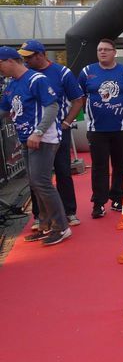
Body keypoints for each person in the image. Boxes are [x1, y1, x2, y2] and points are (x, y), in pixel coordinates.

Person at [0, 47, 72, 246]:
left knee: (41, 182)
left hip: (43, 138)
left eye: (0, 64)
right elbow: (3, 109)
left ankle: (61, 226)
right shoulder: (12, 85)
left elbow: (53, 106)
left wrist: (39, 131)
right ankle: (45, 224)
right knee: (35, 183)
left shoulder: (36, 79)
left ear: (10, 61)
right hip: (26, 139)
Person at [18, 40, 84, 229]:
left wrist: (66, 123)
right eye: (23, 57)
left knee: (63, 171)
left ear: (41, 54)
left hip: (57, 130)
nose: (26, 61)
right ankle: (40, 216)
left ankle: (69, 212)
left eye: (29, 57)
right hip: (34, 133)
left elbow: (78, 100)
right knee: (36, 176)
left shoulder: (62, 73)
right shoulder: (25, 74)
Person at [78, 39, 123, 218]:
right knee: (99, 167)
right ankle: (98, 203)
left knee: (120, 165)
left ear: (114, 52)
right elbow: (80, 96)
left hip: (121, 129)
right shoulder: (87, 72)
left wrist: (119, 105)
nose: (102, 52)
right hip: (96, 130)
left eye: (106, 49)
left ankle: (117, 199)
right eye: (99, 49)